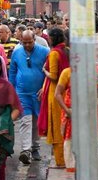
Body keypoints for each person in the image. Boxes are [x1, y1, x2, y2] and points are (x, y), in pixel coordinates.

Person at [8, 31, 49, 164]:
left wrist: (44, 87)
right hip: (22, 93)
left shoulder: (44, 52)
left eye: (29, 42)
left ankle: (35, 147)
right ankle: (26, 150)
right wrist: (12, 91)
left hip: (38, 93)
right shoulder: (17, 52)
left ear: (34, 39)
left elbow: (50, 71)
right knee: (25, 120)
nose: (27, 45)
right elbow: (13, 72)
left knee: (36, 121)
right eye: (24, 42)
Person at [40, 28, 70, 167]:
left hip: (56, 92)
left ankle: (60, 160)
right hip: (68, 91)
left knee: (57, 125)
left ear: (52, 39)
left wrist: (44, 70)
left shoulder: (54, 54)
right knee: (66, 124)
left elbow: (53, 76)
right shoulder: (67, 50)